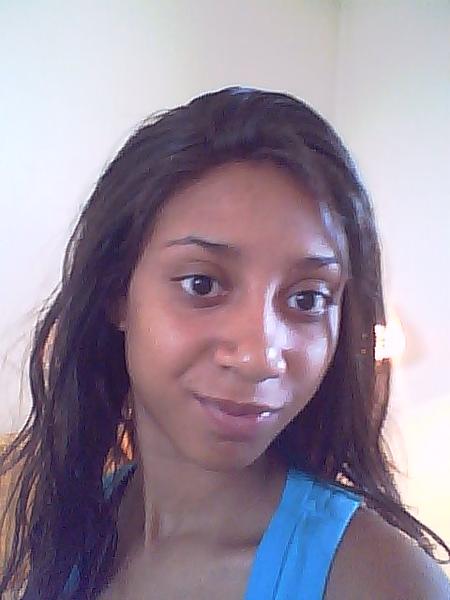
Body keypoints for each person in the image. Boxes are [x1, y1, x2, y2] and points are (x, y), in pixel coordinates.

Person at [0, 87, 449, 599]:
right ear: (116, 292)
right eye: (202, 284)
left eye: (307, 299)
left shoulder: (382, 582)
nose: (259, 357)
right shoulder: (76, 523)